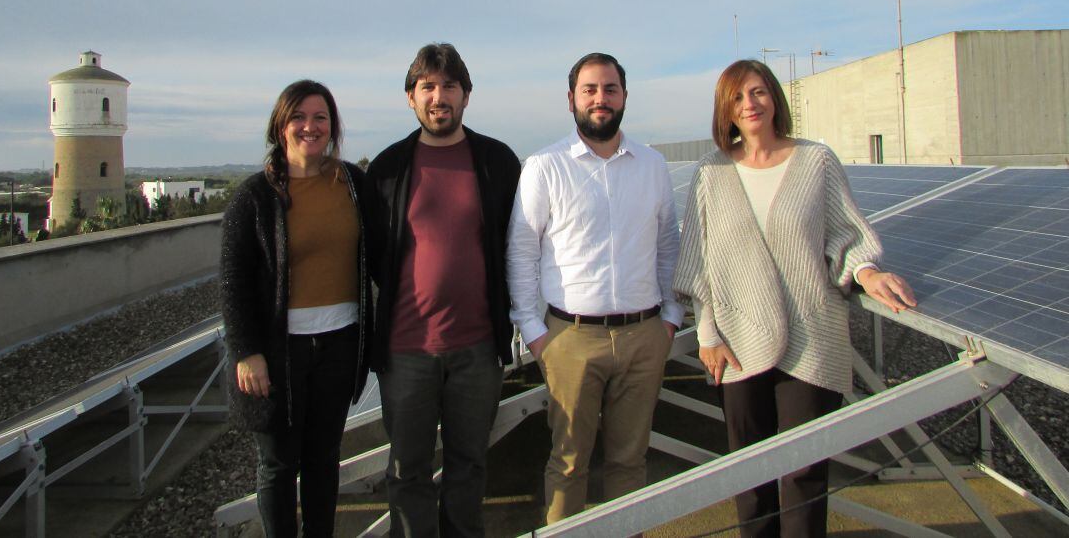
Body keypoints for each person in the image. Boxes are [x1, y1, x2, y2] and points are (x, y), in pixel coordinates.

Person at [672, 59, 917, 538]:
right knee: (750, 470)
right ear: (726, 109)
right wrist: (706, 333)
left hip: (812, 336)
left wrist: (866, 271)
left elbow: (844, 233)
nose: (750, 104)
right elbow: (701, 264)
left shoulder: (815, 161)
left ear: (775, 100)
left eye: (759, 92)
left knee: (805, 472)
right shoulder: (711, 172)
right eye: (739, 96)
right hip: (737, 341)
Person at [506, 52, 682, 524]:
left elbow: (668, 246)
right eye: (590, 89)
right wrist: (532, 329)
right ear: (571, 100)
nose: (600, 98)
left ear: (624, 96)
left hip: (644, 336)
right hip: (570, 340)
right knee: (567, 463)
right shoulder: (544, 166)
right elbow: (522, 252)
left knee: (630, 463)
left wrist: (669, 318)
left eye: (610, 89)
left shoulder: (652, 165)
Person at [369, 43, 521, 538]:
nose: (439, 97)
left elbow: (516, 244)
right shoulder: (388, 169)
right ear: (410, 97)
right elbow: (373, 256)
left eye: (449, 86)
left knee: (469, 464)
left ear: (467, 96)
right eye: (428, 87)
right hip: (406, 350)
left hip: (477, 349)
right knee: (407, 470)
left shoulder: (497, 162)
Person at [220, 79, 380, 538]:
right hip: (278, 350)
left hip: (340, 343)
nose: (310, 127)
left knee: (322, 459)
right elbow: (234, 280)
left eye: (320, 118)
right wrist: (246, 351)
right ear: (280, 125)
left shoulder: (352, 183)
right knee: (278, 463)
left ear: (333, 127)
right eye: (299, 117)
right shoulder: (254, 197)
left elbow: (384, 249)